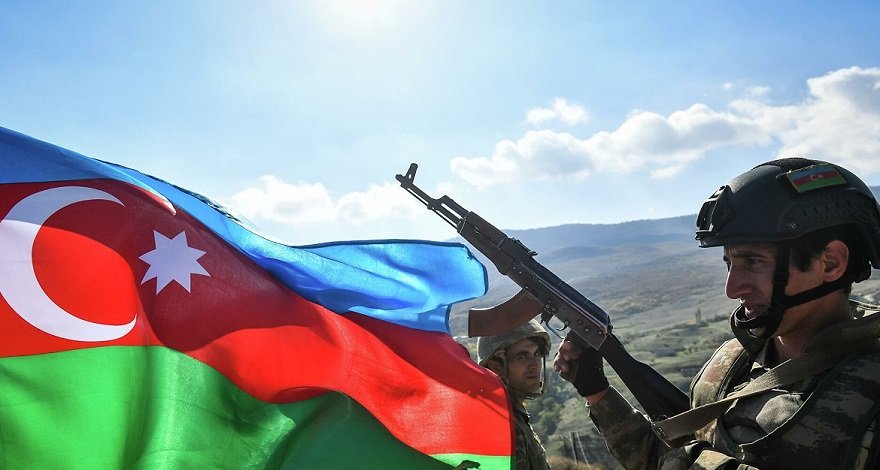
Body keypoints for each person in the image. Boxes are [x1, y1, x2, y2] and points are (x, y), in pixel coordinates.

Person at [554, 157, 880, 469]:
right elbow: (672, 461)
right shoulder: (729, 364)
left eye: (753, 262)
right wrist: (597, 392)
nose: (732, 289)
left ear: (830, 263)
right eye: (729, 264)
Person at [477, 318, 552, 470]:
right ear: (496, 367)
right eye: (522, 356)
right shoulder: (499, 425)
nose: (535, 365)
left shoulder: (512, 414)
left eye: (537, 354)